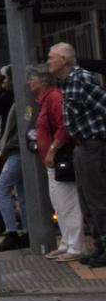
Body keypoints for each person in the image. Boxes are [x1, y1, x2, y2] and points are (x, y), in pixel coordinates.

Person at [49, 42, 106, 267]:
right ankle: (99, 245)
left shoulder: (81, 79)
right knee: (86, 201)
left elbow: (103, 104)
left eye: (51, 57)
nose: (48, 62)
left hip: (93, 145)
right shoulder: (68, 82)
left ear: (64, 60)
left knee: (97, 198)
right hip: (81, 146)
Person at [28, 63, 83, 262]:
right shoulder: (46, 100)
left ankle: (75, 246)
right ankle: (67, 242)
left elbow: (63, 127)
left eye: (32, 78)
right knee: (59, 203)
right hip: (52, 161)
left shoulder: (54, 98)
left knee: (68, 202)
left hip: (59, 158)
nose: (29, 82)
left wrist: (52, 149)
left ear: (42, 81)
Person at [0, 67, 26, 249]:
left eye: (5, 78)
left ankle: (12, 232)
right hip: (17, 149)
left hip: (16, 150)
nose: (3, 81)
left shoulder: (13, 96)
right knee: (22, 192)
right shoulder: (16, 96)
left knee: (0, 190)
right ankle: (26, 230)